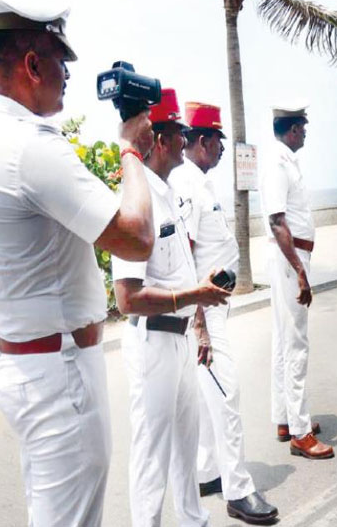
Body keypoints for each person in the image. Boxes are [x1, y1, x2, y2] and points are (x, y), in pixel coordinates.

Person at [0, 0, 155, 527]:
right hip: (59, 370)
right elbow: (135, 238)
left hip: (23, 361)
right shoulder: (32, 147)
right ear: (32, 65)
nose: (67, 73)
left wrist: (10, 322)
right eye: (59, 59)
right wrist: (131, 150)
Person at [112, 89, 230, 527]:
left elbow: (181, 273)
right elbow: (127, 299)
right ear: (159, 140)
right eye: (179, 133)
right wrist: (194, 298)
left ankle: (194, 521)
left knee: (186, 450)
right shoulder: (135, 201)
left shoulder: (166, 194)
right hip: (152, 343)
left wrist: (198, 324)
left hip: (180, 341)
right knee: (151, 457)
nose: (185, 140)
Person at [168, 101, 279, 524]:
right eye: (216, 141)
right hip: (204, 316)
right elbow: (186, 256)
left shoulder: (199, 183)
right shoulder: (189, 186)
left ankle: (208, 472)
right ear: (202, 141)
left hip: (211, 309)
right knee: (226, 392)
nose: (220, 149)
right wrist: (200, 325)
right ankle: (237, 490)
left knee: (207, 395)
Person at [259, 105, 333, 460]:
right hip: (290, 258)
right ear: (290, 129)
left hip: (289, 256)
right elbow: (277, 222)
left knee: (282, 339)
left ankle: (286, 418)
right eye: (302, 126)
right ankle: (301, 434)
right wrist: (300, 272)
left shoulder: (285, 159)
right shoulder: (278, 162)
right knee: (296, 343)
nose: (306, 132)